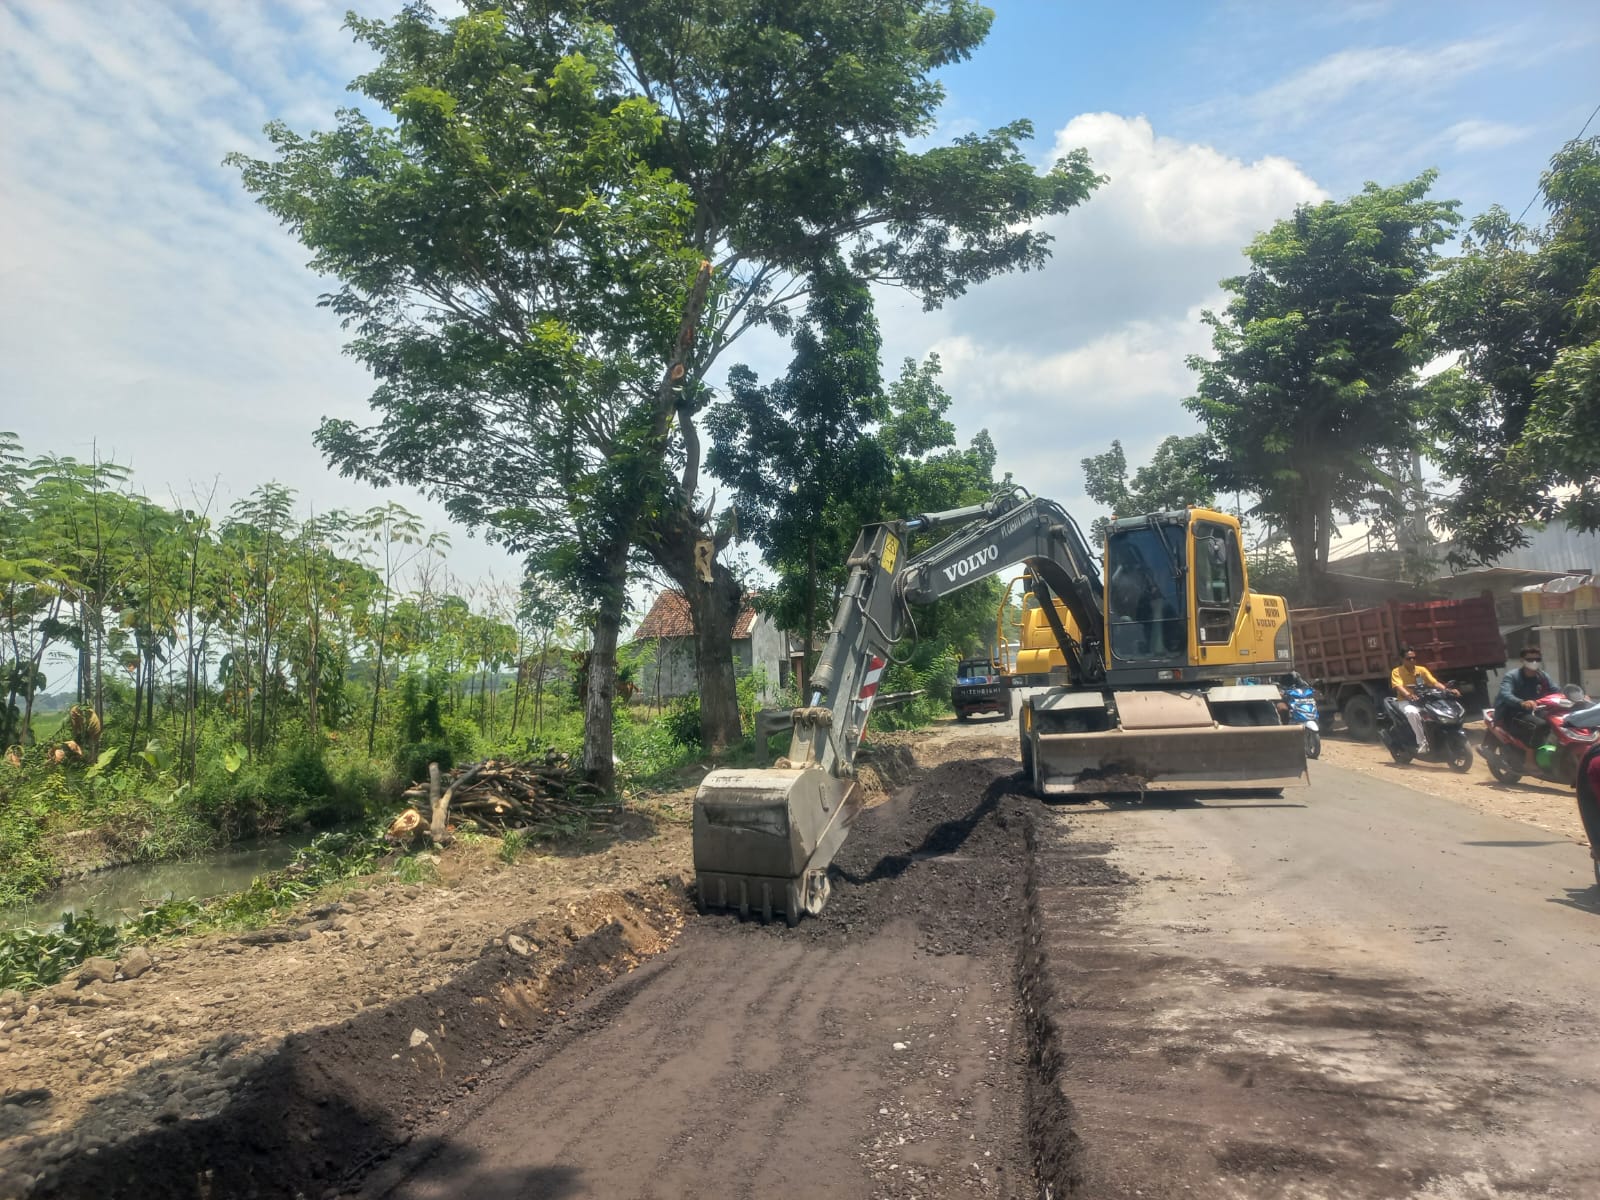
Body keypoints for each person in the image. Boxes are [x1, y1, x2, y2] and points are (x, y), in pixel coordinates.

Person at [1496, 645, 1558, 766]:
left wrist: (1577, 697)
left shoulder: (1543, 676)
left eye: (1537, 659)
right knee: (1540, 725)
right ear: (1522, 660)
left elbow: (1556, 690)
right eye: (1530, 659)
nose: (1534, 662)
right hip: (1515, 713)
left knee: (1559, 722)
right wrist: (1521, 702)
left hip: (1536, 711)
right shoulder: (1512, 676)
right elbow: (1505, 693)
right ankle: (1529, 761)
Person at [1391, 645, 1458, 753]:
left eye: (1414, 658)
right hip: (1406, 701)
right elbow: (1399, 686)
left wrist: (1447, 690)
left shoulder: (1421, 670)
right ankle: (1422, 743)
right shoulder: (1397, 672)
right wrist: (1409, 695)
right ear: (1402, 659)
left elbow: (1434, 682)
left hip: (1423, 700)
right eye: (1409, 658)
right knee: (1412, 713)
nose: (1412, 660)